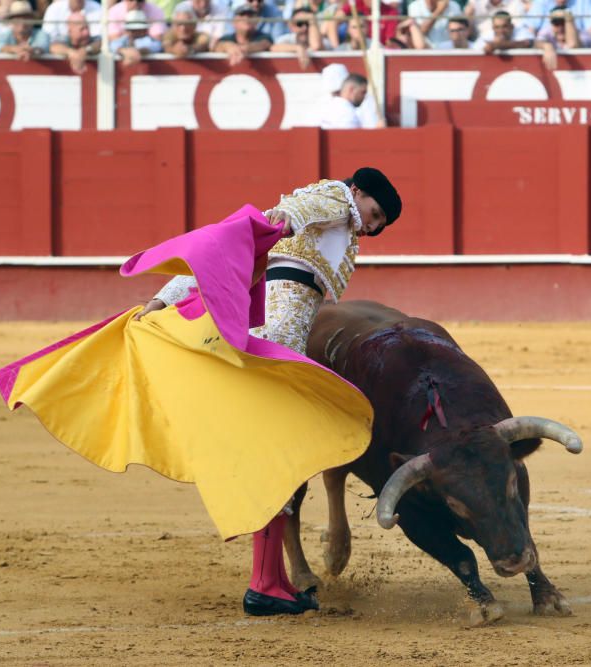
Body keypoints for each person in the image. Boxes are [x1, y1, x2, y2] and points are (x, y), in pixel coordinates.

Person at [133, 169, 401, 616]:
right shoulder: (334, 200)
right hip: (278, 354)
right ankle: (265, 584)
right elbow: (307, 208)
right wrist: (287, 216)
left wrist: (164, 297)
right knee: (282, 457)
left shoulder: (309, 229)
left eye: (378, 226)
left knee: (277, 462)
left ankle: (270, 581)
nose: (371, 227)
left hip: (274, 348)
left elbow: (225, 255)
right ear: (357, 191)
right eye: (374, 214)